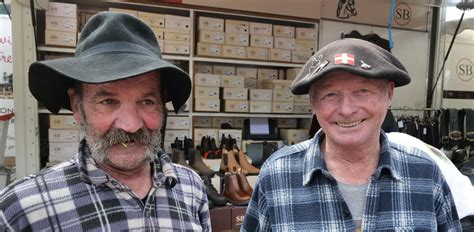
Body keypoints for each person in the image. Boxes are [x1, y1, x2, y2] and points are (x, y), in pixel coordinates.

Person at [0, 12, 210, 231]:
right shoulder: (22, 210)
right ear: (77, 105)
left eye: (147, 101)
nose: (130, 125)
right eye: (108, 101)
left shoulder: (191, 187)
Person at [242, 38, 461, 231]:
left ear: (389, 94)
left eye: (362, 91)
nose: (346, 109)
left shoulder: (425, 174)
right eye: (330, 94)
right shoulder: (277, 176)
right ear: (313, 103)